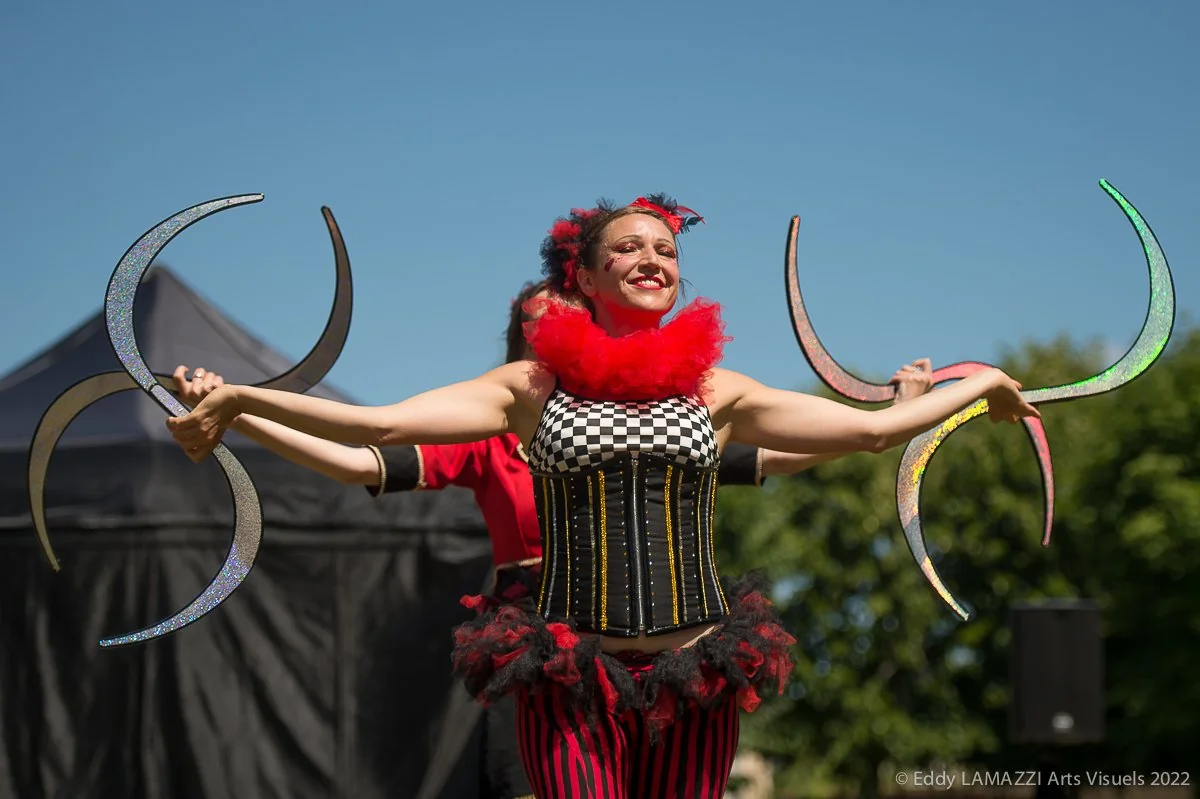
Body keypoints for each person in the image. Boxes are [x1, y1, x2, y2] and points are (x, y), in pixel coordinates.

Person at [165, 194, 1036, 796]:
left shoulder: (716, 392)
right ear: (582, 278)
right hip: (573, 673)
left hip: (696, 673)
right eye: (628, 247)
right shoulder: (528, 389)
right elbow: (380, 428)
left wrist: (974, 388)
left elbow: (867, 434)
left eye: (666, 250)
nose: (652, 258)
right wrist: (241, 402)